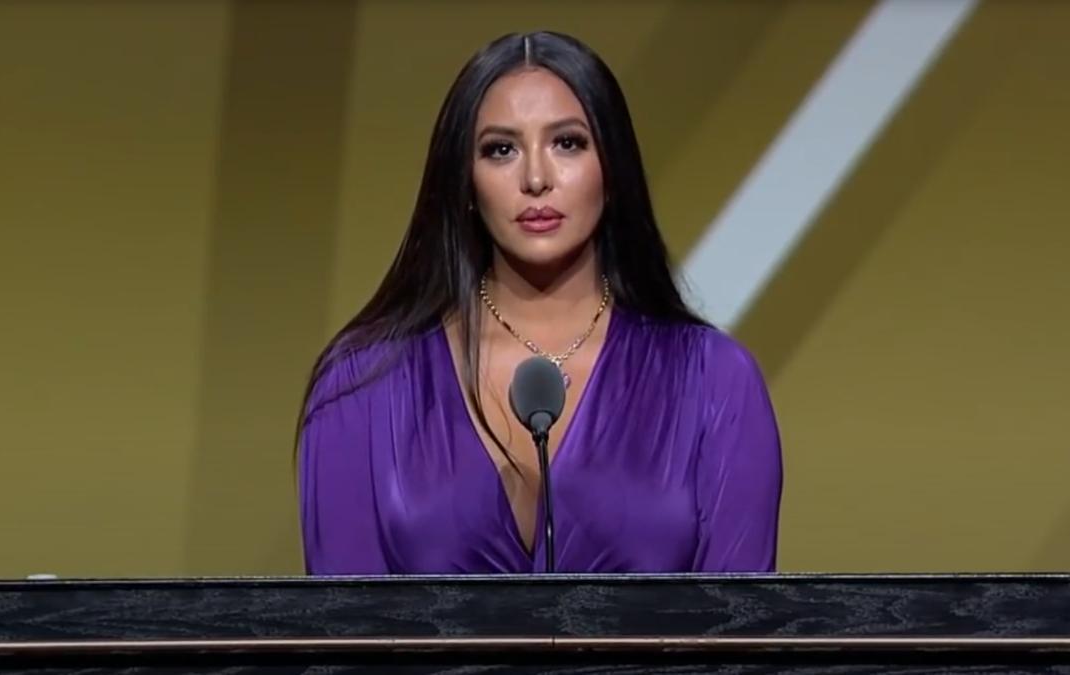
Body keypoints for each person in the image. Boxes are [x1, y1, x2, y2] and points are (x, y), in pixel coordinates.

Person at [297, 31, 782, 575]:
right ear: (465, 182)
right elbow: (344, 644)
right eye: (500, 149)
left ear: (613, 167)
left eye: (568, 143)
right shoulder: (361, 386)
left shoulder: (715, 381)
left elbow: (738, 642)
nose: (535, 179)